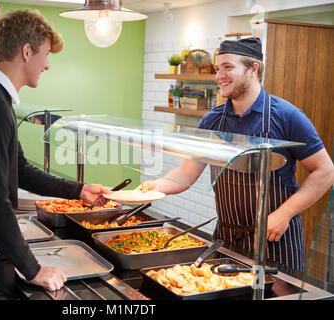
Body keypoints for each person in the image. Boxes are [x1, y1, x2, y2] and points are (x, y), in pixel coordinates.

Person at [0, 9, 111, 300]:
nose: (47, 65)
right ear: (27, 51)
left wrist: (79, 190)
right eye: (46, 55)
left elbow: (21, 169)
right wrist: (33, 269)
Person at [138, 37, 334, 271]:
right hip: (227, 237)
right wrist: (152, 187)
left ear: (254, 69)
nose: (219, 76)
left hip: (276, 238)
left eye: (228, 67)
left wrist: (284, 214)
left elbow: (325, 171)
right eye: (218, 69)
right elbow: (186, 172)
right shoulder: (212, 120)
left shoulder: (288, 116)